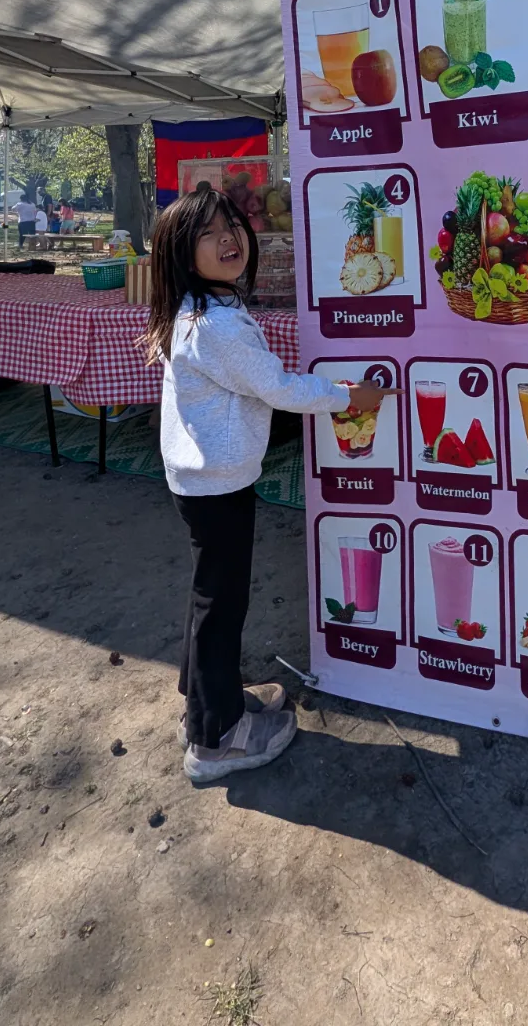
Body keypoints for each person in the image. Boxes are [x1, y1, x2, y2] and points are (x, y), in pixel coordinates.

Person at [145, 186, 394, 783]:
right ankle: (217, 738)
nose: (228, 237)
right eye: (207, 233)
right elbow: (279, 388)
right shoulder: (217, 326)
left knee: (212, 596)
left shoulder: (204, 312)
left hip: (203, 478)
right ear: (182, 253)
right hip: (216, 482)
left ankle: (206, 702)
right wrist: (348, 397)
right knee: (221, 603)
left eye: (231, 224)